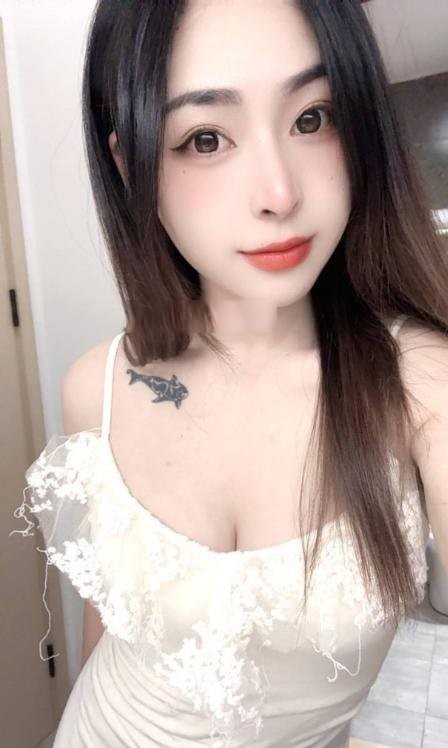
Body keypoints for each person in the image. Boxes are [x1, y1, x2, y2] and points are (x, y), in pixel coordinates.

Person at [12, 0, 448, 746]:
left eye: (312, 118)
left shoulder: (418, 383)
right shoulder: (97, 387)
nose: (279, 194)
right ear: (131, 166)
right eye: (206, 138)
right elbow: (108, 623)